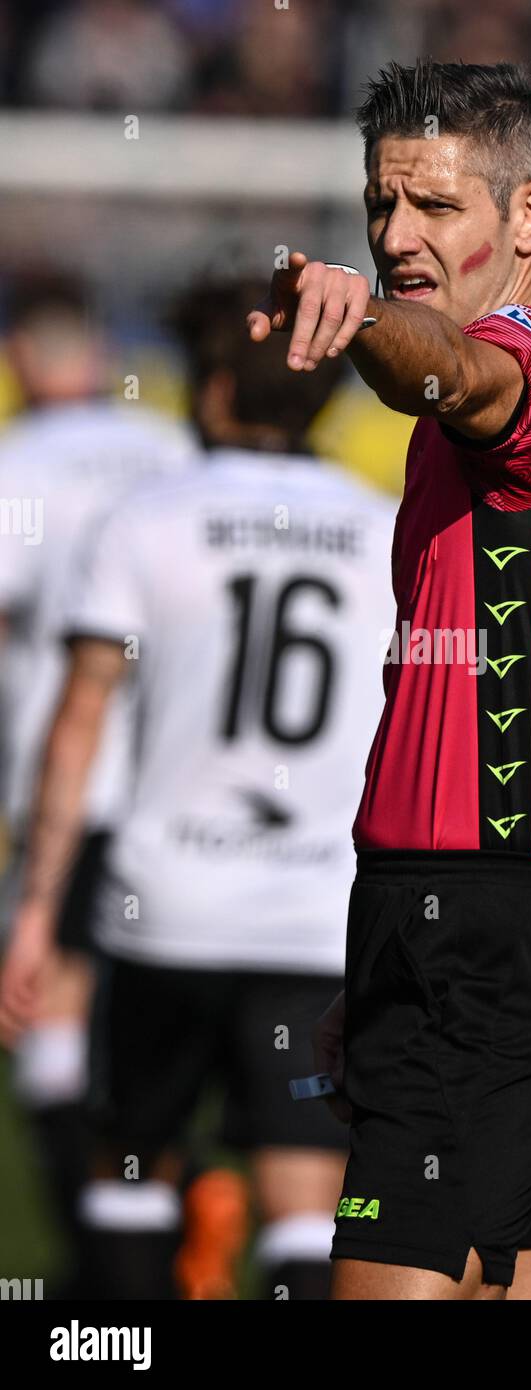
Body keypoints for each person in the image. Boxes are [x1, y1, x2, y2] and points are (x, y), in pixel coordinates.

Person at [248, 59, 531, 1301]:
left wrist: (359, 317)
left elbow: (450, 370)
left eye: (435, 207)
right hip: (487, 926)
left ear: (529, 215)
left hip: (484, 927)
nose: (394, 235)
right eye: (382, 206)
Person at [0, 282, 395, 1299]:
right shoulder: (385, 531)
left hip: (163, 907)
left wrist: (38, 907)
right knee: (307, 1194)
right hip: (315, 910)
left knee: (130, 1162)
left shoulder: (150, 517)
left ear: (214, 391)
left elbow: (81, 716)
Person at [0, 275, 194, 1295]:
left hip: (76, 790)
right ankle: (178, 1214)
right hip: (190, 791)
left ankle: (109, 1275)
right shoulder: (172, 447)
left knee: (52, 1019)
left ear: (24, 357)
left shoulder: (15, 463)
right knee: (175, 1031)